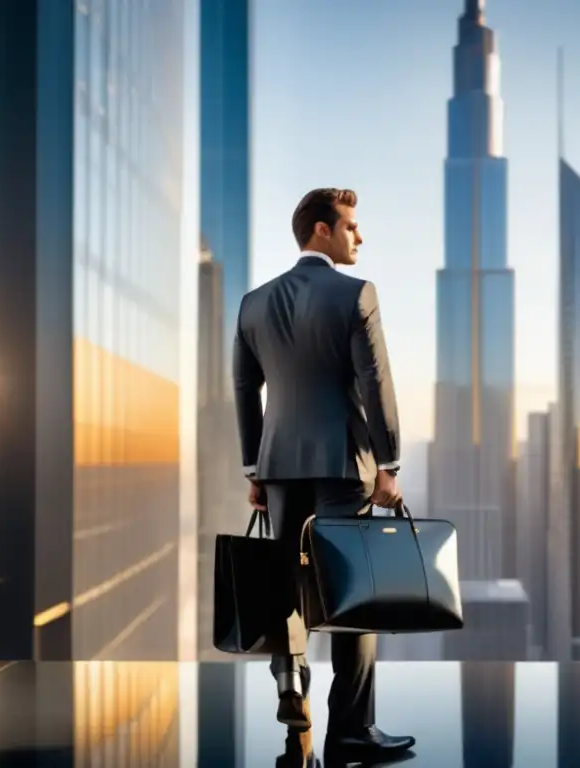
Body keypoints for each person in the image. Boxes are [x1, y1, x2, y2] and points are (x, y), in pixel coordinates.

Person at [232, 188, 416, 760]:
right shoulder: (356, 293)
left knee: (286, 589)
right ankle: (352, 730)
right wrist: (388, 463)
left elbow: (245, 389)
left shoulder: (254, 303)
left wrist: (254, 467)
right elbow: (375, 382)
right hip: (344, 467)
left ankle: (292, 690)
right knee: (353, 597)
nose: (359, 237)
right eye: (352, 227)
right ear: (321, 231)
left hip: (280, 469)